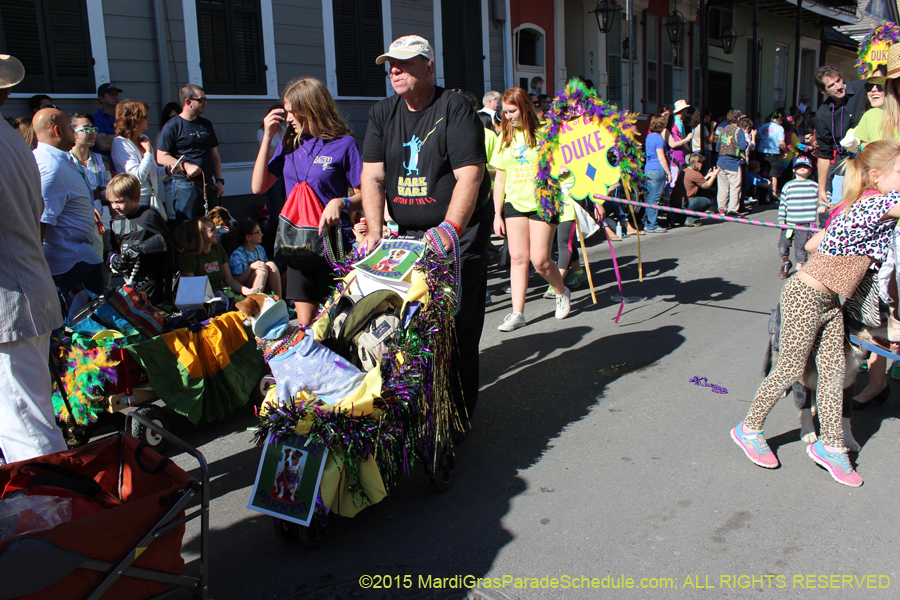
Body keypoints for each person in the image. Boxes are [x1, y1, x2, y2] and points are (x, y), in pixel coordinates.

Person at [731, 140, 900, 488]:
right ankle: (748, 429)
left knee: (833, 373)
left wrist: (837, 239)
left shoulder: (857, 208)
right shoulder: (876, 205)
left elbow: (810, 244)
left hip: (830, 303)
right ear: (875, 176)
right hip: (805, 296)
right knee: (791, 367)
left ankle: (832, 446)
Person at [361, 34, 492, 425]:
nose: (395, 71)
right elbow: (372, 177)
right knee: (403, 323)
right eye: (390, 65)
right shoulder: (382, 112)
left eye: (404, 63)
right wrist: (372, 229)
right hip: (408, 233)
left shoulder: (453, 108)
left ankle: (458, 412)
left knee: (459, 324)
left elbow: (470, 175)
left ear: (429, 66)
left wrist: (450, 228)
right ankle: (413, 406)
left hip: (459, 230)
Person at [0, 53, 68, 464]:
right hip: (23, 294)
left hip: (13, 302)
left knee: (26, 427)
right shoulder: (12, 138)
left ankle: (59, 520)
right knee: (23, 419)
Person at [251, 77, 361, 324]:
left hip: (334, 244)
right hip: (298, 244)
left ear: (310, 109)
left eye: (292, 112)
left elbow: (364, 194)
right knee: (306, 326)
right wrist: (269, 138)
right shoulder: (290, 143)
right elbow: (258, 186)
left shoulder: (344, 143)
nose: (288, 118)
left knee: (338, 323)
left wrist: (342, 202)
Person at [491, 87, 572, 329]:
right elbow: (500, 179)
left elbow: (562, 164)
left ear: (524, 107)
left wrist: (563, 171)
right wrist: (497, 213)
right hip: (514, 202)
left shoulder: (546, 134)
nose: (508, 117)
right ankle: (518, 313)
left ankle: (561, 291)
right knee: (518, 258)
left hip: (543, 201)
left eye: (512, 111)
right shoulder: (503, 139)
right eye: (505, 113)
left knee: (541, 261)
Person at [33, 108, 105, 297]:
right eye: (69, 128)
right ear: (57, 131)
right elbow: (41, 219)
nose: (74, 134)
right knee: (87, 326)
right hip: (71, 266)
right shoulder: (51, 167)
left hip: (76, 261)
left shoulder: (56, 160)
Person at [157, 84, 224, 225]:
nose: (205, 103)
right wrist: (185, 166)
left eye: (205, 99)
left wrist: (219, 180)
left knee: (210, 227)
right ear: (188, 102)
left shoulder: (206, 124)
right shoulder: (172, 126)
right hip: (185, 186)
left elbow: (215, 156)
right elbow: (161, 156)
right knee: (188, 228)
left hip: (208, 185)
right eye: (201, 100)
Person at [107, 174, 175, 305]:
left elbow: (167, 242)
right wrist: (114, 259)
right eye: (111, 202)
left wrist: (141, 249)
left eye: (120, 201)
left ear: (136, 197)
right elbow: (112, 249)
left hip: (152, 281)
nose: (115, 206)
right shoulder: (116, 222)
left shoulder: (149, 216)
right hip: (129, 281)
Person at [813, 66, 867, 208]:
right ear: (823, 91)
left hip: (871, 161)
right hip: (844, 165)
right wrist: (822, 189)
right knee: (840, 210)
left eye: (839, 81)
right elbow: (824, 154)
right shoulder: (822, 114)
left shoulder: (863, 88)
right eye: (831, 85)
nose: (838, 87)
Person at [69, 113, 113, 286]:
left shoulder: (101, 159)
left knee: (105, 273)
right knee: (85, 274)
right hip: (80, 224)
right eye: (85, 129)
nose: (91, 132)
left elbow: (108, 191)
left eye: (93, 129)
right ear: (73, 133)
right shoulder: (66, 160)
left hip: (104, 222)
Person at [111, 99, 173, 215]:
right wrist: (148, 151)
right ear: (133, 120)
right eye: (144, 116)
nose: (148, 119)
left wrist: (167, 170)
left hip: (152, 202)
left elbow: (152, 173)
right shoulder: (121, 143)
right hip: (135, 205)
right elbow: (138, 177)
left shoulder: (143, 138)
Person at [180, 217, 257, 297]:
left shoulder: (218, 250)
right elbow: (189, 291)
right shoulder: (189, 257)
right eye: (212, 230)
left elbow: (229, 280)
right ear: (198, 233)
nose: (217, 232)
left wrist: (249, 291)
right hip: (201, 302)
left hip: (220, 298)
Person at [776, 156, 819, 279]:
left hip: (805, 223)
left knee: (801, 247)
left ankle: (798, 269)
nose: (802, 168)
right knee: (782, 246)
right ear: (794, 170)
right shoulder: (788, 185)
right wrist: (781, 220)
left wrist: (823, 205)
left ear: (810, 170)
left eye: (805, 167)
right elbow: (783, 204)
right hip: (789, 223)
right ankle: (786, 262)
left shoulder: (814, 185)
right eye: (799, 166)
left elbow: (824, 195)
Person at [229, 219, 282, 297]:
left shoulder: (260, 249)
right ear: (248, 237)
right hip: (245, 290)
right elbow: (237, 281)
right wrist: (251, 268)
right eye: (258, 232)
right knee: (260, 271)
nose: (261, 234)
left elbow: (268, 270)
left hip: (263, 283)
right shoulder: (237, 254)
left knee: (271, 264)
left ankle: (278, 300)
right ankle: (254, 301)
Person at [716, 109, 748, 217]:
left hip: (721, 162)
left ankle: (721, 208)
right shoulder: (739, 131)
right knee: (735, 186)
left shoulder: (722, 131)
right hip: (733, 163)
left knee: (722, 187)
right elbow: (743, 146)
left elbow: (717, 147)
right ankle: (732, 209)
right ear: (738, 119)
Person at [670, 153, 718, 227]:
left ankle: (680, 218)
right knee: (707, 202)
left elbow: (698, 181)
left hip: (675, 202)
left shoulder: (685, 170)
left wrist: (708, 176)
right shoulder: (695, 174)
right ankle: (690, 219)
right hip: (686, 203)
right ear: (697, 163)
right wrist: (715, 175)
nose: (702, 165)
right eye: (701, 163)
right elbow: (706, 185)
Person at [643, 114, 671, 233]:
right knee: (654, 199)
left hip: (648, 169)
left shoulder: (649, 137)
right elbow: (661, 157)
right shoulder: (659, 139)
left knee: (649, 197)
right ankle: (652, 225)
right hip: (657, 169)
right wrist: (668, 172)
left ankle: (648, 222)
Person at [92, 82, 122, 167]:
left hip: (125, 167)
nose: (115, 97)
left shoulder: (123, 117)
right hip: (106, 168)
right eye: (111, 94)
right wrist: (124, 138)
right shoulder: (95, 119)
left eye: (116, 94)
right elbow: (104, 144)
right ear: (101, 98)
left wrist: (109, 136)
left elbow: (134, 140)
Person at [758, 112, 787, 194]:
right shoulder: (779, 128)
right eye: (781, 120)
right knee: (774, 174)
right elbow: (781, 143)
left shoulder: (762, 126)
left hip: (762, 151)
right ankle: (773, 193)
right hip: (774, 152)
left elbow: (757, 139)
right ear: (778, 119)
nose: (782, 122)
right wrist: (785, 151)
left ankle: (762, 193)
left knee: (762, 173)